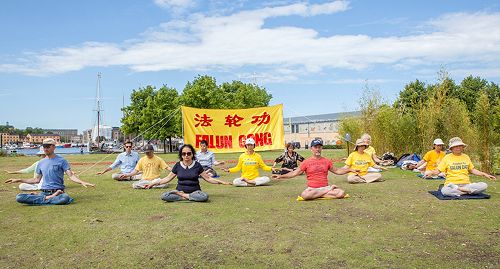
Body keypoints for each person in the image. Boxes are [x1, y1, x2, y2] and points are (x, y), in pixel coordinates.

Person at [5, 138, 95, 205]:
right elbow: (36, 180)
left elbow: (71, 176)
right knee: (19, 197)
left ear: (53, 147)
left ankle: (41, 199)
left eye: (48, 146)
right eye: (44, 146)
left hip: (58, 191)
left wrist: (82, 182)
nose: (45, 149)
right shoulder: (40, 162)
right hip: (44, 192)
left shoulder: (62, 160)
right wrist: (19, 180)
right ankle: (49, 198)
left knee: (64, 198)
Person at [273, 138, 355, 200]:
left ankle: (321, 193)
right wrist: (281, 176)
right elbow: (295, 173)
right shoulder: (306, 162)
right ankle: (329, 189)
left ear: (321, 148)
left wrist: (349, 170)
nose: (318, 149)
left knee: (341, 193)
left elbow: (337, 171)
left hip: (323, 188)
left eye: (319, 147)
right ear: (311, 149)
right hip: (312, 189)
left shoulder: (327, 161)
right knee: (304, 195)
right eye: (315, 147)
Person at [145, 144, 231, 202]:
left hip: (195, 192)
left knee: (204, 197)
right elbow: (167, 178)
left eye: (189, 153)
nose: (186, 155)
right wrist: (153, 183)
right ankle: (186, 196)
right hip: (180, 190)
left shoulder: (197, 165)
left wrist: (222, 182)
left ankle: (183, 196)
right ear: (181, 155)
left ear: (192, 154)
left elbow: (208, 178)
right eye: (184, 153)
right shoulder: (178, 165)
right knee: (164, 196)